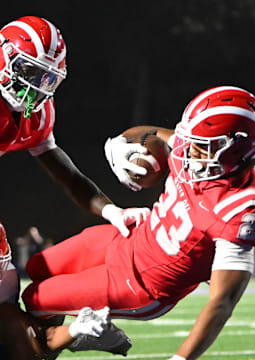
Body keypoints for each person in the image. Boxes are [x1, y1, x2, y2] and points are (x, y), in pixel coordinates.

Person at [22, 86, 255, 360]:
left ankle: (74, 337)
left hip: (141, 284)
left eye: (202, 147)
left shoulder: (243, 208)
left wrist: (180, 359)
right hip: (128, 236)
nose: (187, 151)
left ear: (234, 152)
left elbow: (222, 302)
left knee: (35, 298)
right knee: (36, 266)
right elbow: (151, 133)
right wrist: (121, 144)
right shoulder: (194, 146)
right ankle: (70, 336)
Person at [0, 15, 149, 238]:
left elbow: (69, 177)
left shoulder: (38, 114)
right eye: (28, 71)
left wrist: (112, 211)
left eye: (46, 78)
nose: (34, 87)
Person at [0, 221, 131, 360]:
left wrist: (76, 330)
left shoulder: (6, 281)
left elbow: (33, 335)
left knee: (15, 321)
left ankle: (79, 336)